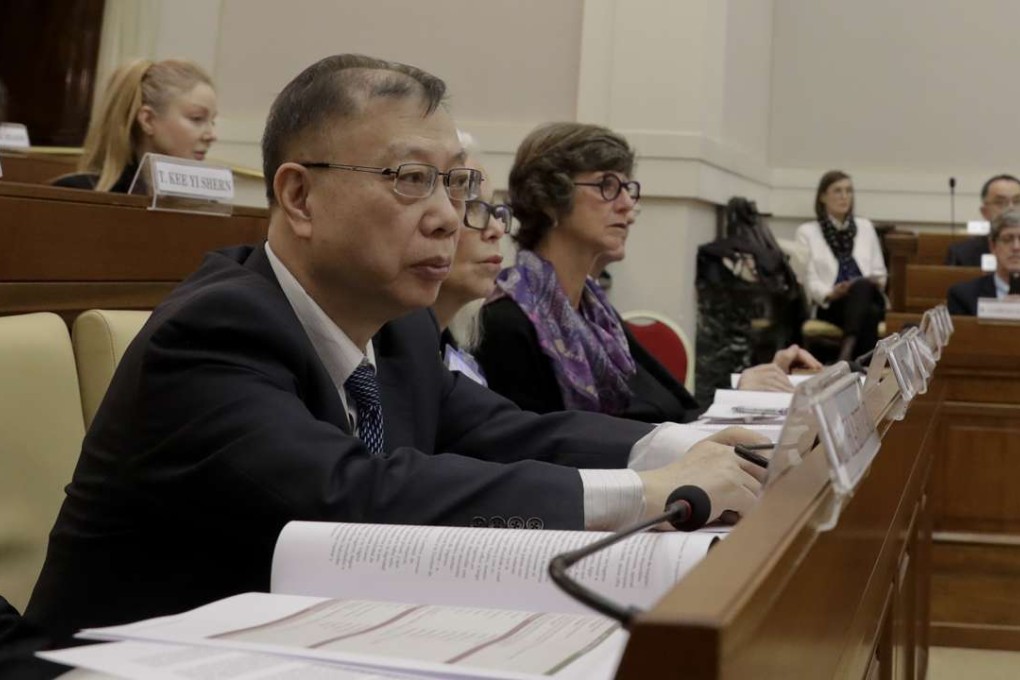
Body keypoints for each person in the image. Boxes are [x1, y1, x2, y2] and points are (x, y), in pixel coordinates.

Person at [27, 54, 768, 640]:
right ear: (298, 197)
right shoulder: (216, 330)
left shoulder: (402, 331)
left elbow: (507, 430)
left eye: (459, 185)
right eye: (414, 180)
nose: (449, 216)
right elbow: (350, 497)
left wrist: (689, 446)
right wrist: (640, 496)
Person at [474, 122, 820, 423]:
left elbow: (674, 411)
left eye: (628, 188)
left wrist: (750, 388)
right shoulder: (508, 322)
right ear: (548, 198)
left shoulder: (595, 314)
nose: (627, 204)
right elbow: (558, 455)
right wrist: (739, 396)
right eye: (607, 186)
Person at [53, 59, 217, 192]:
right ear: (147, 120)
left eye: (212, 121)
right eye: (197, 118)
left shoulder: (207, 202)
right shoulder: (75, 193)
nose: (212, 135)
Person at [431, 145, 512, 383]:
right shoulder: (382, 358)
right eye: (473, 206)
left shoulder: (452, 346)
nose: (497, 230)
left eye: (495, 210)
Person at [795, 170, 887, 361]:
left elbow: (880, 272)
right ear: (822, 197)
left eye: (849, 191)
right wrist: (831, 292)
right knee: (870, 314)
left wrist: (873, 282)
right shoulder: (807, 232)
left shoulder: (865, 227)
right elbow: (809, 279)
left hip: (868, 293)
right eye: (837, 191)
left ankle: (845, 355)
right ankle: (861, 369)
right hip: (833, 303)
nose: (845, 196)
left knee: (861, 286)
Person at [947, 209, 1020, 315]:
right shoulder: (963, 295)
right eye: (1007, 239)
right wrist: (1002, 312)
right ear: (993, 246)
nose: (1016, 247)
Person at [945, 174, 1020, 266]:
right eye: (1000, 202)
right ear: (985, 212)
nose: (1010, 208)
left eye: (1017, 201)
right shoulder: (963, 254)